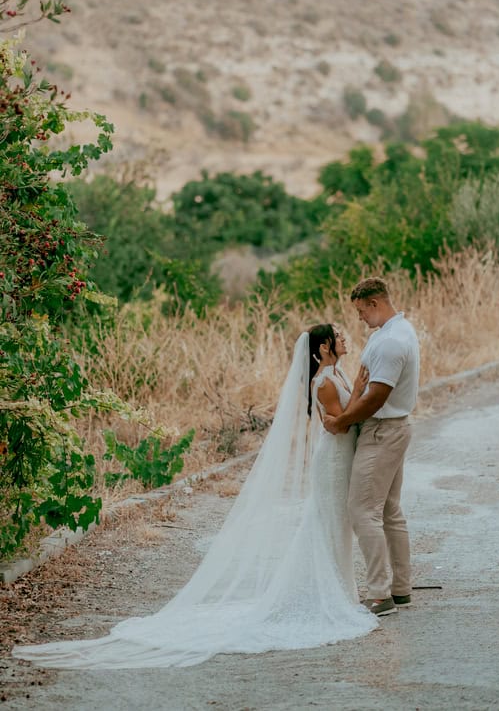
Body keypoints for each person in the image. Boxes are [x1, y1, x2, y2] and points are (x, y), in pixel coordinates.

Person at [12, 325, 378, 670]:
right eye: (337, 336)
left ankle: (341, 591)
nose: (344, 338)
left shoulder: (338, 375)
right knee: (328, 523)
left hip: (340, 458)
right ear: (323, 348)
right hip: (331, 461)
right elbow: (341, 421)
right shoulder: (325, 382)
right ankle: (330, 595)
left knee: (336, 524)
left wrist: (358, 387)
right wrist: (361, 390)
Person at [323, 277, 419, 618]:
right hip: (395, 429)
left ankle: (380, 595)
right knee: (390, 511)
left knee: (362, 511)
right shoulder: (396, 332)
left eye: (362, 310)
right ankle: (401, 588)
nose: (360, 317)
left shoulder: (391, 341)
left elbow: (377, 397)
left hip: (381, 432)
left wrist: (342, 422)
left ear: (376, 303)